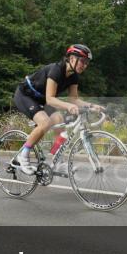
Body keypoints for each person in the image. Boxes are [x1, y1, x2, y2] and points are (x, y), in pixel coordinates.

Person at [10, 44, 103, 175]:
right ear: (71, 58)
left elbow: (74, 99)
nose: (85, 65)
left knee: (60, 122)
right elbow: (50, 99)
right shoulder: (56, 70)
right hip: (26, 95)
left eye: (87, 62)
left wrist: (91, 106)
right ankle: (23, 156)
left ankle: (57, 162)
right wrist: (69, 106)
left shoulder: (74, 76)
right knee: (45, 123)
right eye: (82, 61)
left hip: (42, 99)